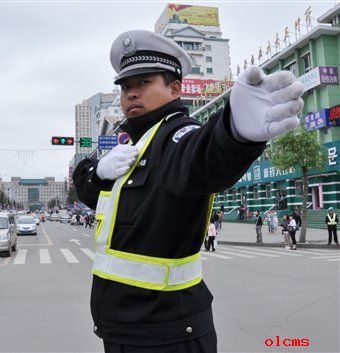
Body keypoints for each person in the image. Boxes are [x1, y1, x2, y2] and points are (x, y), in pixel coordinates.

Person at [73, 29, 303, 353]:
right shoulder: (132, 143)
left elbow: (205, 158)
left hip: (168, 334)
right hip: (124, 329)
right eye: (125, 86)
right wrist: (98, 171)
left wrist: (236, 132)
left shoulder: (177, 135)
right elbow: (87, 190)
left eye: (143, 82)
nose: (131, 94)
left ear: (175, 88)